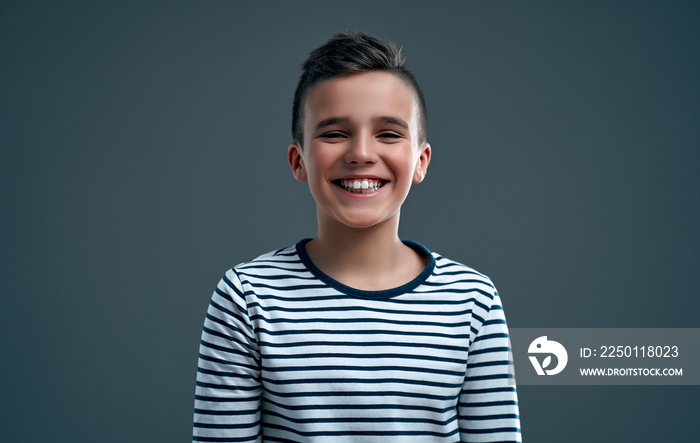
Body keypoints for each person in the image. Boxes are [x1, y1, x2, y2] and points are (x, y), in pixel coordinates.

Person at [193, 32, 521, 442]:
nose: (361, 153)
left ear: (421, 161)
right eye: (334, 134)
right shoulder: (246, 297)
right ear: (299, 161)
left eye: (388, 133)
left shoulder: (474, 301)